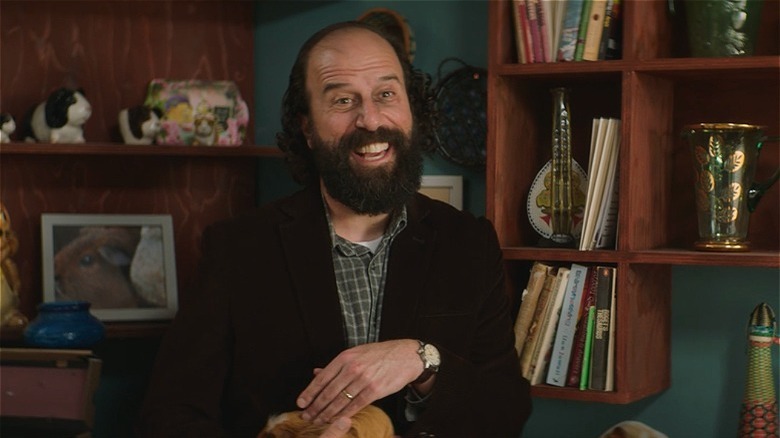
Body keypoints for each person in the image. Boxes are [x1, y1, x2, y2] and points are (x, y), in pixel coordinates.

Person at [138, 21, 532, 437]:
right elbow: (167, 418)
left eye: (386, 94)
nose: (370, 119)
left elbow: (506, 411)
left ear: (411, 108)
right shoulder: (237, 248)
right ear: (307, 127)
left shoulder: (468, 243)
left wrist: (421, 360)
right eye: (343, 100)